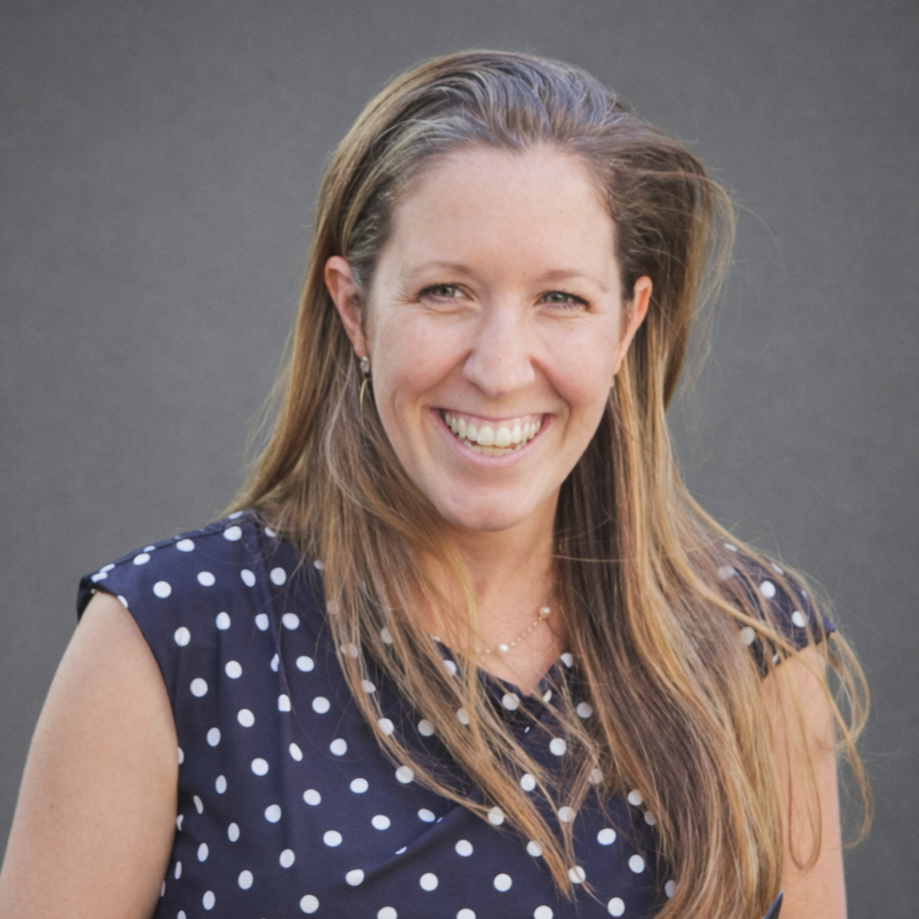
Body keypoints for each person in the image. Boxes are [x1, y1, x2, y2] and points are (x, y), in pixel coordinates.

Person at [0, 50, 869, 919]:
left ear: (626, 325)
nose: (497, 368)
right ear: (355, 310)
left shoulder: (750, 648)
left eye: (560, 299)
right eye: (445, 291)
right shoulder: (171, 637)